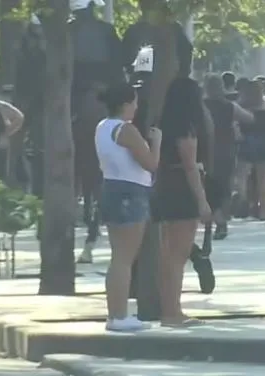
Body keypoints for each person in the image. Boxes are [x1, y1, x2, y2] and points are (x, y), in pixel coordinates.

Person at [95, 82, 158, 332]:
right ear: (124, 104)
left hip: (110, 187)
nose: (136, 107)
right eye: (133, 102)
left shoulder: (102, 126)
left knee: (118, 257)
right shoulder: (127, 130)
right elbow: (151, 163)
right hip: (130, 191)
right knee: (124, 258)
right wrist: (157, 141)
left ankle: (115, 313)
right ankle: (119, 316)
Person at [151, 78, 212, 327]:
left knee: (168, 253)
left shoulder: (163, 126)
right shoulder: (185, 130)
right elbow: (190, 166)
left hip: (165, 185)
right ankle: (172, 312)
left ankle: (169, 308)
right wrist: (202, 201)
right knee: (178, 254)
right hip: (182, 189)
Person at [203, 74, 253, 239]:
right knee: (224, 186)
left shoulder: (202, 105)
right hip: (227, 150)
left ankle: (217, 219)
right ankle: (223, 217)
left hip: (206, 150)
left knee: (207, 186)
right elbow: (250, 118)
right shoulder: (230, 106)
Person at [236, 79, 265, 221]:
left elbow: (235, 125)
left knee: (242, 177)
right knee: (264, 180)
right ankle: (264, 211)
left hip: (247, 142)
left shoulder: (241, 106)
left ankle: (242, 205)